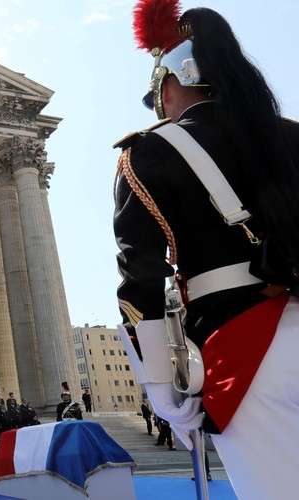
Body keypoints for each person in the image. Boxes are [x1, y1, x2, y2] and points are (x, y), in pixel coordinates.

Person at [115, 3, 299, 497]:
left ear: (169, 88)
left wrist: (163, 389)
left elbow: (142, 280)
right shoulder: (290, 136)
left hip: (248, 353)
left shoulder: (150, 150)